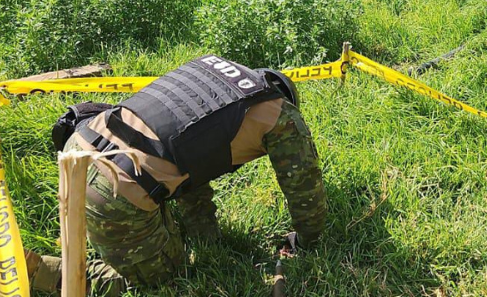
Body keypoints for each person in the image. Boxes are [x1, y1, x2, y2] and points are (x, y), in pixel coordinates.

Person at [28, 54, 327, 296]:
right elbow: (305, 188)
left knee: (159, 212)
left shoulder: (215, 70)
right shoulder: (280, 116)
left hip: (79, 146)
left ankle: (124, 240)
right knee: (165, 278)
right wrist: (306, 241)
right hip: (117, 188)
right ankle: (42, 272)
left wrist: (205, 233)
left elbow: (191, 154)